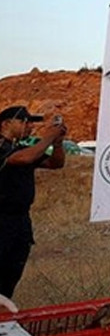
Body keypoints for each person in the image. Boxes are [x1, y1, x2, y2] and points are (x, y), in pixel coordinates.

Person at [0, 106, 67, 298]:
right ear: (6, 124)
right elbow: (24, 159)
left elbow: (55, 164)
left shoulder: (21, 148)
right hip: (2, 219)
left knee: (10, 274)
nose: (29, 126)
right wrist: (48, 137)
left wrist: (59, 142)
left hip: (20, 220)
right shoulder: (7, 149)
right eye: (24, 121)